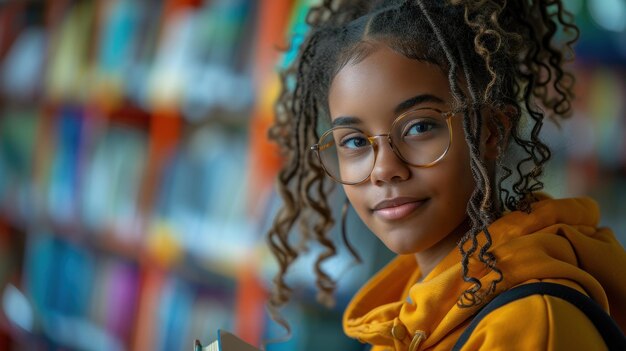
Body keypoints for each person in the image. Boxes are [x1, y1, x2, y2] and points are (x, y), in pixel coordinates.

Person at [265, 0, 626, 350]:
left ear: (491, 132)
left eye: (420, 126)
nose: (384, 169)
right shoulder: (408, 313)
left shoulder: (528, 325)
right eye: (355, 141)